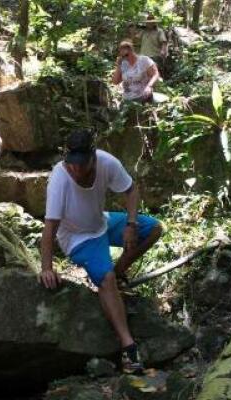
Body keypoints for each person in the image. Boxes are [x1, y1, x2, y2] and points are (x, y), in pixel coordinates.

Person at [39, 129, 163, 373]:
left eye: (82, 164)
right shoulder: (59, 178)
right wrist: (46, 268)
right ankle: (128, 348)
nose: (76, 169)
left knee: (154, 229)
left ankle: (119, 272)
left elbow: (131, 190)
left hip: (101, 222)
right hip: (76, 237)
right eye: (72, 164)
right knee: (105, 279)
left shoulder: (107, 162)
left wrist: (131, 224)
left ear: (93, 157)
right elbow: (50, 227)